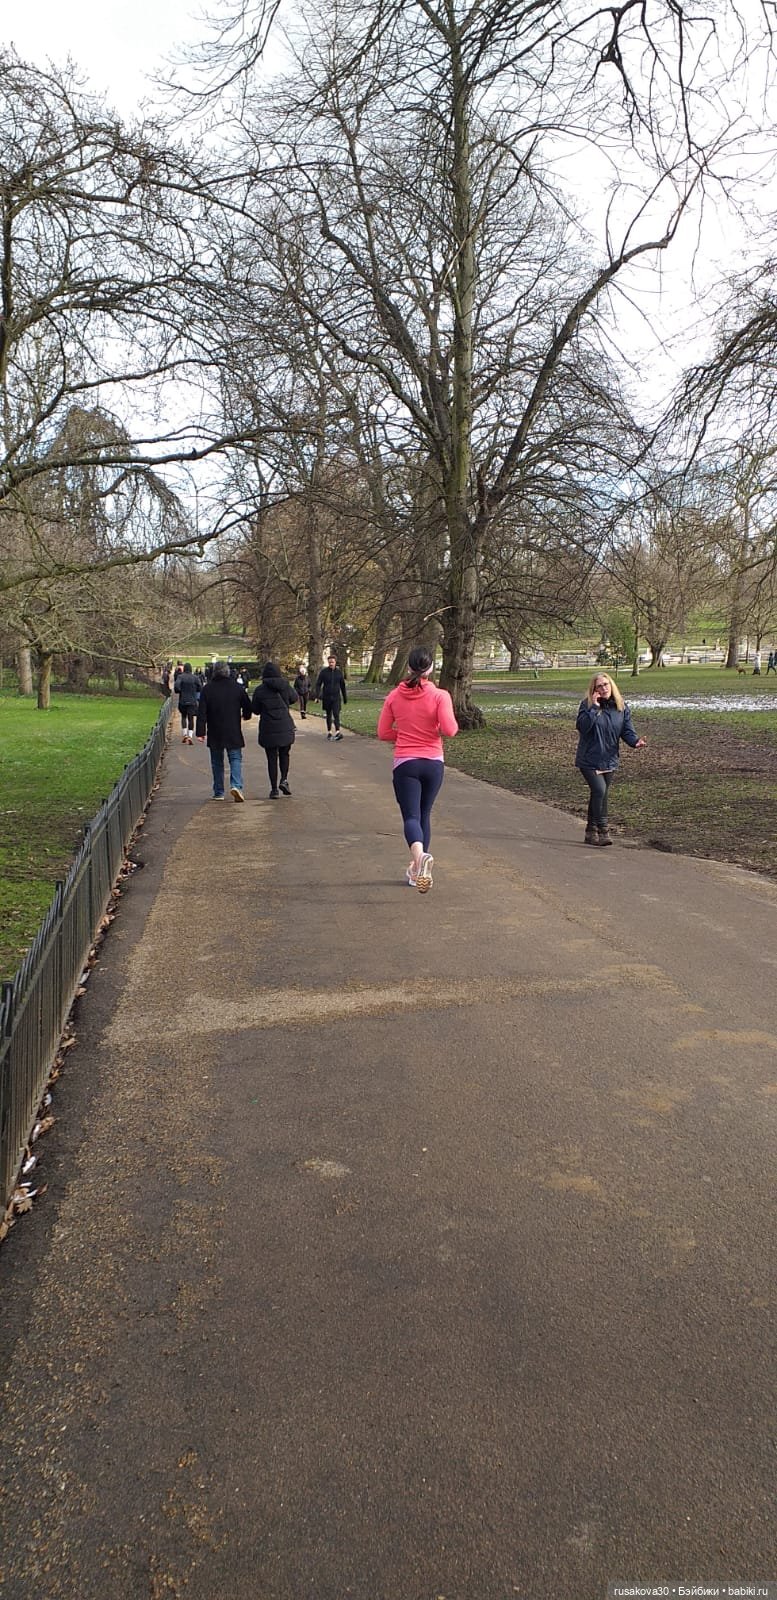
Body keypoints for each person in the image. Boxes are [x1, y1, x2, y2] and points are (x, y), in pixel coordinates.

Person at [377, 647, 458, 893]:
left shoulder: (394, 696)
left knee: (411, 817)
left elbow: (382, 732)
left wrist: (402, 733)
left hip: (406, 763)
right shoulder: (440, 696)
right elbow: (450, 729)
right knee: (424, 814)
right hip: (433, 762)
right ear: (431, 668)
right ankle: (416, 868)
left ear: (409, 668)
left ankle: (420, 858)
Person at [575, 671, 646, 846]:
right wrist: (595, 708)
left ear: (611, 685)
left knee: (600, 794)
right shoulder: (588, 705)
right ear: (594, 689)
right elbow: (582, 727)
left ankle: (590, 832)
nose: (604, 688)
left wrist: (635, 742)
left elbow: (626, 730)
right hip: (589, 758)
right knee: (599, 791)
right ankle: (603, 829)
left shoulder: (621, 707)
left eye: (606, 684)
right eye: (599, 686)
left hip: (609, 758)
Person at [196, 659, 252, 801]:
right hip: (232, 729)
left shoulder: (207, 689)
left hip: (215, 730)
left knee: (217, 761)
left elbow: (201, 712)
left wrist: (201, 732)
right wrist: (246, 715)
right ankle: (236, 786)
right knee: (235, 758)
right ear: (228, 672)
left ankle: (219, 791)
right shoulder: (237, 688)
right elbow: (247, 705)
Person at [251, 661, 298, 798]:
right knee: (285, 754)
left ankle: (273, 789)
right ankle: (284, 779)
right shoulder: (285, 686)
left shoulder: (260, 690)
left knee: (271, 758)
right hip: (285, 725)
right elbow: (294, 698)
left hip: (268, 727)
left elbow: (256, 710)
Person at [314, 654, 348, 739]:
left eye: (332, 662)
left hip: (336, 697)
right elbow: (318, 684)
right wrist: (317, 696)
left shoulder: (339, 673)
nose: (331, 664)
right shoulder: (324, 672)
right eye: (329, 662)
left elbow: (342, 685)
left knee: (336, 714)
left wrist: (344, 697)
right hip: (327, 697)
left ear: (335, 662)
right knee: (328, 714)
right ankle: (329, 732)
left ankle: (337, 732)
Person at [175, 662, 201, 744]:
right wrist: (195, 690)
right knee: (191, 718)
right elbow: (200, 687)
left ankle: (184, 734)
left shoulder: (180, 677)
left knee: (183, 717)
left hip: (183, 700)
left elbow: (176, 686)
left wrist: (180, 691)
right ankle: (190, 736)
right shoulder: (195, 677)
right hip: (192, 700)